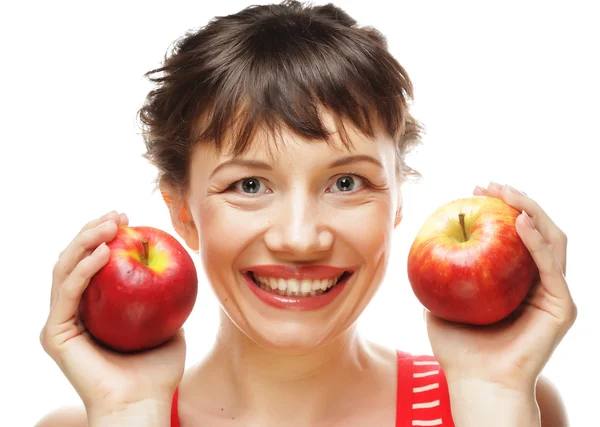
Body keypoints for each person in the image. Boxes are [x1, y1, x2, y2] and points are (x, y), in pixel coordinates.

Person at [36, 1, 576, 426]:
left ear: (398, 202)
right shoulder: (96, 421)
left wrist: (494, 402)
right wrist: (130, 418)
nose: (300, 238)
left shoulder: (505, 403)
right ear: (182, 211)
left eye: (346, 183)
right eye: (250, 185)